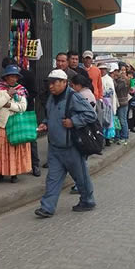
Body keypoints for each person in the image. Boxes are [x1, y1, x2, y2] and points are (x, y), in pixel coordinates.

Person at [35, 69, 97, 218]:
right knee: (52, 179)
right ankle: (47, 207)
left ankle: (88, 200)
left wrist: (73, 121)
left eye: (54, 83)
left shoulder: (73, 97)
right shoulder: (52, 97)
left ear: (64, 83)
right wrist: (45, 124)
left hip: (72, 148)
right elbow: (50, 115)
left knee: (80, 177)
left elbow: (91, 114)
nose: (51, 86)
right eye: (49, 83)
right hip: (55, 148)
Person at [0, 65, 32, 183]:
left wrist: (9, 105)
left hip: (16, 125)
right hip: (2, 124)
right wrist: (8, 95)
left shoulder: (20, 90)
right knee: (1, 152)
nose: (13, 79)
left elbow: (23, 107)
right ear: (6, 77)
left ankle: (14, 174)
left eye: (15, 77)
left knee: (14, 151)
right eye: (11, 76)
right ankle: (0, 173)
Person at [2, 57, 40, 177]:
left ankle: (35, 166)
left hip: (26, 111)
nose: (12, 77)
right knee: (12, 139)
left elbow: (34, 92)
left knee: (30, 137)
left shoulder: (28, 75)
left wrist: (19, 98)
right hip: (10, 113)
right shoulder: (3, 82)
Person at [98, 63, 118, 146]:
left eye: (104, 69)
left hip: (108, 102)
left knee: (108, 120)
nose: (102, 70)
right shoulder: (98, 78)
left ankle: (107, 139)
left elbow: (112, 92)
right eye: (100, 69)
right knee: (101, 120)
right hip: (100, 101)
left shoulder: (109, 79)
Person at [114, 64, 132, 145]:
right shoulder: (118, 79)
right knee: (116, 120)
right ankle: (117, 136)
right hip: (116, 102)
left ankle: (124, 136)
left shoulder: (124, 80)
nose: (123, 72)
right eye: (121, 70)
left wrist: (115, 80)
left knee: (122, 120)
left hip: (123, 103)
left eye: (124, 70)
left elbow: (117, 88)